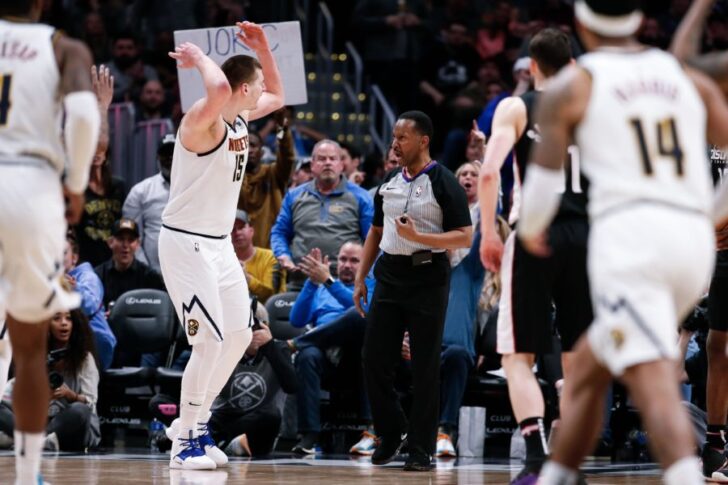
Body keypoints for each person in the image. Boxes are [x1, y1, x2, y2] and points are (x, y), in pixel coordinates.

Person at [519, 1, 728, 483]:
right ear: (638, 19)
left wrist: (529, 238)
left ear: (582, 23)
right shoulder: (683, 77)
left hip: (633, 242)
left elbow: (538, 199)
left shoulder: (574, 84)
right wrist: (708, 215)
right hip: (693, 247)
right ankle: (558, 475)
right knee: (591, 366)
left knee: (651, 374)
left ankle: (684, 473)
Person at [158, 21, 284, 470]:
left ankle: (194, 423)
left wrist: (264, 48)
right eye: (259, 85)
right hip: (185, 244)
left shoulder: (239, 117)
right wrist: (198, 59)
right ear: (244, 88)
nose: (265, 90)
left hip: (218, 246)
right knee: (208, 341)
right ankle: (183, 442)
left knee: (237, 337)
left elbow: (281, 95)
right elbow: (216, 87)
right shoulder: (201, 120)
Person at [477, 28, 591, 484]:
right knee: (579, 359)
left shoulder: (516, 106)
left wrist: (489, 233)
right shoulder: (592, 111)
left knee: (517, 355)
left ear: (532, 66)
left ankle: (535, 459)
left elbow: (488, 173)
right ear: (571, 65)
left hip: (534, 233)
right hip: (586, 234)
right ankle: (567, 457)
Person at [0, 1, 100, 483]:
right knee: (28, 346)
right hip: (30, 187)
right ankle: (26, 475)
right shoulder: (64, 47)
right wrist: (76, 183)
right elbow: (83, 114)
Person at [353, 111, 472, 471]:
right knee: (373, 359)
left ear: (423, 141)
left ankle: (422, 448)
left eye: (402, 138)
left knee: (424, 367)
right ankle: (392, 431)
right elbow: (376, 231)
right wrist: (361, 276)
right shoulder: (388, 181)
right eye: (393, 137)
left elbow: (464, 236)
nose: (394, 145)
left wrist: (420, 237)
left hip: (428, 275)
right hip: (389, 274)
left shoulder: (444, 181)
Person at [669, 1, 728, 479]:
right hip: (715, 249)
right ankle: (715, 444)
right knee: (716, 347)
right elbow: (683, 63)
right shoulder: (702, 123)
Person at [287, 242, 376, 455]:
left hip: (355, 358)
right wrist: (311, 282)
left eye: (354, 260)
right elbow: (296, 319)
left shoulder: (370, 285)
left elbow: (364, 311)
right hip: (325, 355)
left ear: (365, 264)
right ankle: (309, 435)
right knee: (307, 355)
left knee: (356, 317)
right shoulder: (320, 287)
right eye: (343, 259)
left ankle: (370, 428)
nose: (347, 265)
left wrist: (328, 281)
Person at [270, 139, 374, 290]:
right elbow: (279, 232)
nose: (327, 163)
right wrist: (284, 255)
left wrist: (367, 275)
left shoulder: (361, 197)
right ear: (312, 165)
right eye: (321, 159)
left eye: (332, 159)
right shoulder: (294, 196)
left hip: (344, 282)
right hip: (300, 279)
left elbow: (372, 240)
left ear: (341, 165)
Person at [0, 310, 101, 452]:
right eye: (56, 318)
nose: (64, 323)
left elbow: (91, 403)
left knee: (80, 411)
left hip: (69, 427)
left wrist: (72, 395)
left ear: (76, 324)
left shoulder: (84, 359)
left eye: (69, 319)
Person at [210, 310, 298, 458]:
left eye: (254, 329)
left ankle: (225, 444)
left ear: (265, 327)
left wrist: (269, 346)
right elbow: (217, 389)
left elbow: (292, 387)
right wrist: (233, 349)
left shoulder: (278, 348)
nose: (251, 335)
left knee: (271, 415)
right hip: (227, 416)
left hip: (258, 422)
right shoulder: (226, 348)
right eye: (246, 329)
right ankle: (227, 444)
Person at [236, 108, 296, 249]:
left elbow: (286, 154)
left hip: (270, 253)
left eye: (253, 145)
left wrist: (281, 127)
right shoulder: (231, 177)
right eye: (244, 145)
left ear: (262, 152)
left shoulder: (274, 173)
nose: (248, 149)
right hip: (237, 254)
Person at [122, 134, 175, 273]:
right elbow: (130, 235)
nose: (170, 158)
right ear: (157, 157)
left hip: (189, 271)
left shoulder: (194, 187)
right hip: (151, 273)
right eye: (165, 154)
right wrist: (144, 269)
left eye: (174, 153)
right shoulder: (140, 191)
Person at [64, 235, 116, 371]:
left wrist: (74, 289)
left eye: (63, 252)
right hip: (67, 341)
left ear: (74, 258)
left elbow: (90, 305)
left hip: (96, 341)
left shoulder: (88, 277)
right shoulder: (49, 278)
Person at [94, 218, 165, 308]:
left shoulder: (150, 277)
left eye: (131, 240)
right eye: (121, 239)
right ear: (110, 242)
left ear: (138, 244)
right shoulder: (97, 276)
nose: (125, 245)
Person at [231, 210, 284, 303]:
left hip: (266, 313)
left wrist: (247, 278)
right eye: (233, 229)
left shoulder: (271, 257)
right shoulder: (224, 261)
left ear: (251, 231)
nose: (237, 232)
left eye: (241, 227)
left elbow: (272, 294)